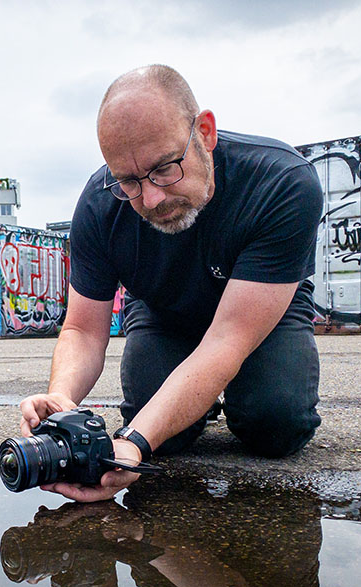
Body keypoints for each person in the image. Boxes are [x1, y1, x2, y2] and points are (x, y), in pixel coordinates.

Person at [19, 64, 323, 503]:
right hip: (164, 312)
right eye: (129, 181)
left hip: (257, 315)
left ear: (204, 132)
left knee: (275, 427)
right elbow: (83, 330)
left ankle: (228, 401)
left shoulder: (281, 182)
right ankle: (192, 402)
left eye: (164, 169)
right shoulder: (100, 205)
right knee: (169, 439)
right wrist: (59, 399)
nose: (152, 198)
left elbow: (227, 340)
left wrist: (134, 444)